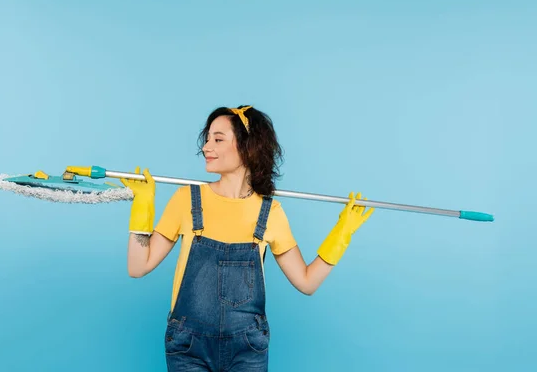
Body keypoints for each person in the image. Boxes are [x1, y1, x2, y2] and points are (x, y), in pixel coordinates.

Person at [120, 105, 374, 371]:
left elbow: (307, 282)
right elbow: (138, 267)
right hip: (187, 346)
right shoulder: (187, 200)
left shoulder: (270, 212)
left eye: (218, 139)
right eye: (207, 139)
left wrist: (342, 234)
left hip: (247, 348)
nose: (207, 147)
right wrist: (142, 207)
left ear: (247, 147)